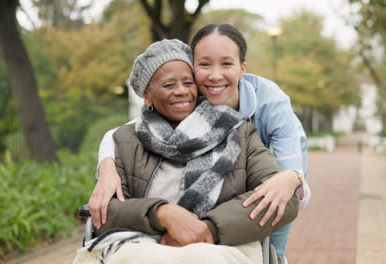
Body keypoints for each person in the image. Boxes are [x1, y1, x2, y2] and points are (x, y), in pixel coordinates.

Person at [90, 24, 310, 263]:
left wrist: (207, 229)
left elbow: (287, 197)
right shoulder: (125, 139)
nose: (182, 92)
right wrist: (162, 213)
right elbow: (106, 211)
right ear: (147, 95)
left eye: (187, 83)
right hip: (146, 244)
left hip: (222, 244)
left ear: (241, 69)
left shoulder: (247, 125)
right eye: (168, 85)